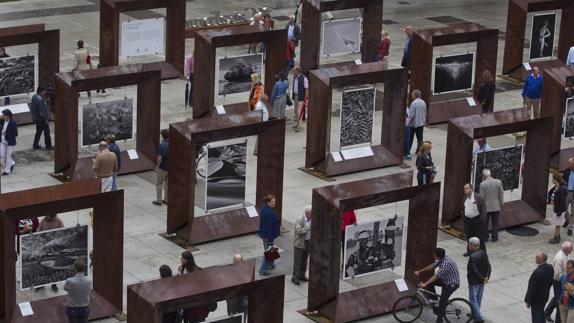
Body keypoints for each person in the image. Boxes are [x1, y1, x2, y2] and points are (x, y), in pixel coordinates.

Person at [415, 248, 460, 323]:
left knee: (442, 302)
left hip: (452, 284)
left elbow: (436, 276)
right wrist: (420, 271)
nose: (433, 255)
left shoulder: (446, 263)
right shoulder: (442, 259)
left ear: (438, 256)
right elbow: (431, 266)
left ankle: (439, 320)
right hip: (446, 280)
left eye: (434, 254)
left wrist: (425, 284)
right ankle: (435, 300)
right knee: (431, 282)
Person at [545, 241, 573, 323]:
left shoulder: (565, 254)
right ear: (567, 250)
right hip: (559, 281)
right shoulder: (559, 258)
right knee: (560, 300)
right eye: (571, 248)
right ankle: (559, 319)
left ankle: (547, 312)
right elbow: (557, 274)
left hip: (564, 280)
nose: (572, 249)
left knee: (557, 297)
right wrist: (565, 280)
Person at [467, 237, 491, 323]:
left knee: (473, 299)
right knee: (478, 298)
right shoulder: (483, 252)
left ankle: (479, 318)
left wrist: (482, 277)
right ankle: (474, 313)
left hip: (475, 281)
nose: (468, 246)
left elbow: (473, 270)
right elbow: (488, 265)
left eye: (469, 244)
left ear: (473, 245)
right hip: (482, 280)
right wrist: (486, 277)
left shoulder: (472, 257)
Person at [38, 214, 64, 292]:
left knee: (53, 267)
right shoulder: (43, 220)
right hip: (45, 247)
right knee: (43, 267)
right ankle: (41, 284)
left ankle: (54, 284)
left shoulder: (58, 221)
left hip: (54, 248)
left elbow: (62, 232)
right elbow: (38, 231)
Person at [526, 253, 554, 323]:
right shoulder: (550, 268)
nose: (535, 257)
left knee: (536, 316)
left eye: (537, 257)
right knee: (541, 313)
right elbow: (551, 282)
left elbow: (531, 289)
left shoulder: (537, 273)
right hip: (544, 297)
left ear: (541, 260)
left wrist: (528, 301)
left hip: (536, 300)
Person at [462, 183, 487, 255]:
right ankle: (469, 251)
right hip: (467, 221)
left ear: (471, 189)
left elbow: (484, 209)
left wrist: (482, 220)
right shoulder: (464, 198)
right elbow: (463, 209)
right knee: (469, 237)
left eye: (466, 188)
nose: (465, 190)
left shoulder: (478, 197)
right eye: (464, 189)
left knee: (479, 239)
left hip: (477, 221)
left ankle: (482, 253)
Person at [479, 169, 504, 242]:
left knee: (485, 223)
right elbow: (501, 193)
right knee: (495, 223)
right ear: (490, 174)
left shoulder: (482, 184)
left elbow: (481, 197)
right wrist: (501, 203)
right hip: (496, 206)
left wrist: (481, 207)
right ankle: (495, 237)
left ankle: (485, 237)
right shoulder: (498, 182)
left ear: (484, 176)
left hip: (486, 207)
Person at [258, 194, 280, 276]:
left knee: (270, 250)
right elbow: (269, 228)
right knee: (268, 252)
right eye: (273, 202)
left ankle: (271, 264)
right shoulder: (269, 213)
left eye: (275, 201)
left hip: (264, 234)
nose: (275, 203)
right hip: (268, 236)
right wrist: (270, 240)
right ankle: (263, 269)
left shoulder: (264, 209)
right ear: (268, 202)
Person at [64, 259, 91, 323]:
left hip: (73, 308)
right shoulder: (89, 280)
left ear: (75, 268)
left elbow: (65, 288)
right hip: (85, 308)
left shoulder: (70, 281)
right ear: (84, 268)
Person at [292, 205, 311, 285]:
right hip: (299, 243)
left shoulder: (312, 219)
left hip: (308, 242)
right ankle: (295, 277)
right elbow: (298, 231)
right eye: (311, 213)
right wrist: (307, 228)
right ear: (307, 213)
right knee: (297, 262)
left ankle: (302, 275)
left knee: (304, 261)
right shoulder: (300, 219)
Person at [407, 89, 427, 157]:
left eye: (412, 94)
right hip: (421, 123)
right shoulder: (423, 102)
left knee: (410, 139)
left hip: (413, 124)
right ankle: (418, 151)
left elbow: (411, 115)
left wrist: (407, 121)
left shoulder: (413, 103)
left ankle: (407, 151)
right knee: (420, 139)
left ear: (414, 95)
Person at [549, 174, 568, 244]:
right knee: (557, 223)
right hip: (555, 207)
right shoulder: (556, 187)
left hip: (559, 209)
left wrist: (559, 212)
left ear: (555, 179)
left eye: (552, 179)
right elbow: (551, 193)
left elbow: (562, 201)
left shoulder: (561, 189)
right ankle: (557, 236)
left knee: (557, 224)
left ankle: (556, 238)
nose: (552, 180)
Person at [153, 129, 169, 206]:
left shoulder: (162, 145)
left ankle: (159, 200)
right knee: (168, 183)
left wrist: (157, 166)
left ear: (162, 135)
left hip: (163, 167)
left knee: (159, 183)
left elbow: (160, 157)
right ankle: (166, 199)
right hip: (171, 167)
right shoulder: (173, 143)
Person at [0, 109, 17, 175]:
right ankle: (12, 163)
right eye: (2, 115)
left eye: (4, 115)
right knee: (2, 154)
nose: (3, 116)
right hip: (3, 141)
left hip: (10, 142)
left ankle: (7, 170)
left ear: (8, 116)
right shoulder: (2, 121)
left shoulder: (13, 123)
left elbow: (15, 134)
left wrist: (6, 134)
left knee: (8, 156)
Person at [292, 66, 308, 132]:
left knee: (299, 112)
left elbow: (307, 89)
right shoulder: (295, 77)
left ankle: (300, 126)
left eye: (294, 71)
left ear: (298, 71)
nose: (293, 72)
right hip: (295, 96)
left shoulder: (304, 78)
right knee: (295, 111)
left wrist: (305, 99)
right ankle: (296, 123)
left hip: (301, 97)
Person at [562, 158, 574, 235]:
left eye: (570, 164)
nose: (568, 165)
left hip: (573, 194)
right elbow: (563, 180)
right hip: (566, 192)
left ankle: (570, 227)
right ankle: (567, 220)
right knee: (564, 208)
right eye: (568, 164)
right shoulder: (567, 170)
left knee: (573, 212)